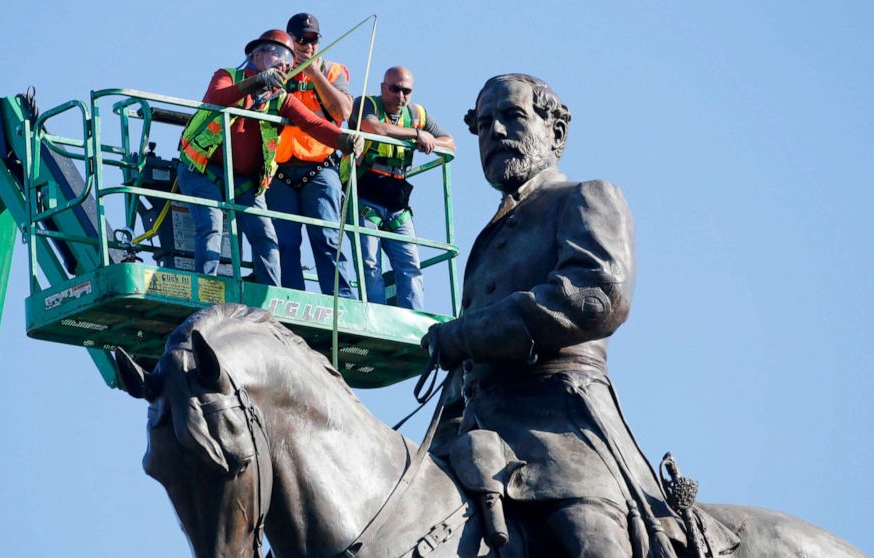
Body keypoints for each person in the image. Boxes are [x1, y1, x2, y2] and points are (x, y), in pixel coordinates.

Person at [420, 74, 721, 557]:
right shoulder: (485, 241)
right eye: (482, 124)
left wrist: (466, 334)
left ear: (555, 133)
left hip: (562, 433)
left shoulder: (584, 197)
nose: (494, 132)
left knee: (589, 541)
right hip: (478, 438)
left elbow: (597, 295)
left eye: (511, 116)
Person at [177, 29, 362, 282]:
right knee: (211, 226)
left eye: (286, 56)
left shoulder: (279, 98)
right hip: (202, 170)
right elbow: (217, 99)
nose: (283, 61)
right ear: (255, 53)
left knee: (266, 236)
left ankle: (271, 300)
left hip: (244, 180)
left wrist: (345, 140)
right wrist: (256, 82)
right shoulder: (227, 76)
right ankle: (206, 290)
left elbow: (312, 124)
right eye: (275, 52)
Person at [348, 66, 455, 309]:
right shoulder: (366, 105)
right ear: (383, 87)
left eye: (406, 91)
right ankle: (371, 316)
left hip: (397, 203)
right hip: (366, 196)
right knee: (370, 265)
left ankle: (413, 320)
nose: (400, 96)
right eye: (395, 89)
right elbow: (373, 128)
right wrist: (417, 134)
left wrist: (428, 140)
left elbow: (450, 143)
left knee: (410, 265)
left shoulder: (417, 113)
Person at [266, 13, 356, 297]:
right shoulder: (274, 70)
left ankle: (341, 302)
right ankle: (291, 298)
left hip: (320, 168)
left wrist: (313, 71)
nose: (307, 45)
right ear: (288, 40)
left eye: (312, 39)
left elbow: (343, 112)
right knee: (285, 241)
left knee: (327, 238)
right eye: (300, 39)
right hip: (279, 170)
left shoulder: (332, 71)